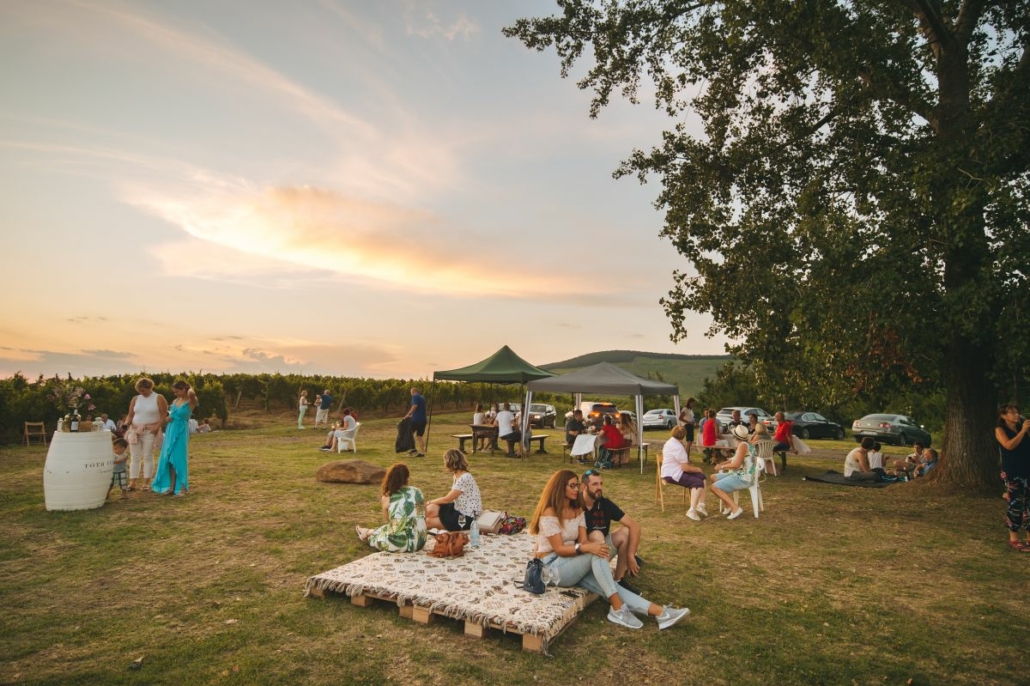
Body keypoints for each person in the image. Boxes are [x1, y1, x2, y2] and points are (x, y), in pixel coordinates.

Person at [530, 469, 690, 630]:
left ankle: (661, 613)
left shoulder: (578, 510)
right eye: (572, 486)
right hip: (551, 568)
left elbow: (584, 541)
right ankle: (618, 610)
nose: (576, 489)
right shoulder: (549, 512)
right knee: (596, 551)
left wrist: (589, 548)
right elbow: (559, 549)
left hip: (569, 564)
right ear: (560, 488)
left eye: (577, 485)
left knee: (610, 585)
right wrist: (589, 548)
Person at [580, 469, 644, 594]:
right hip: (582, 554)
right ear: (583, 487)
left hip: (602, 551)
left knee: (626, 532)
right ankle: (609, 587)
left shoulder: (605, 504)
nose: (599, 487)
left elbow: (634, 526)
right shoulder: (575, 505)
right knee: (596, 535)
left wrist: (631, 554)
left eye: (601, 484)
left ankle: (618, 580)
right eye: (595, 484)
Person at [355, 463, 428, 553]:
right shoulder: (417, 491)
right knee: (391, 527)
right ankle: (368, 531)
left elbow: (388, 520)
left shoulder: (387, 496)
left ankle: (368, 534)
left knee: (378, 537)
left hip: (399, 545)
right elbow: (424, 514)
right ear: (407, 477)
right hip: (420, 541)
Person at [151, 380, 198, 497]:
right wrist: (168, 418)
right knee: (169, 458)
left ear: (184, 389)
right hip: (171, 430)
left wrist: (189, 388)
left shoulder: (191, 401)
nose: (175, 394)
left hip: (181, 431)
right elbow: (172, 414)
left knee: (179, 458)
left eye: (177, 391)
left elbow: (192, 393)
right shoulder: (175, 401)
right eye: (174, 392)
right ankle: (171, 488)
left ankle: (183, 488)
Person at [996, 405, 1030, 552]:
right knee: (1016, 504)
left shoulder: (1025, 429)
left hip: (1027, 470)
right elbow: (1009, 446)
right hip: (1013, 471)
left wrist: (1025, 430)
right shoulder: (1000, 430)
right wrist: (1022, 431)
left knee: (1029, 505)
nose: (1016, 415)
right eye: (1012, 413)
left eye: (1018, 412)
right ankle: (1014, 539)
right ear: (1004, 416)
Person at [125, 377, 168, 492]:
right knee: (134, 456)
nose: (141, 393)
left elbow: (164, 414)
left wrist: (157, 427)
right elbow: (130, 414)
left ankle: (146, 483)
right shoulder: (135, 399)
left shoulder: (158, 397)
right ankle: (132, 482)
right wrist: (126, 423)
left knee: (148, 455)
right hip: (135, 430)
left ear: (150, 388)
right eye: (139, 391)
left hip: (150, 429)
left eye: (143, 390)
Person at [425, 449, 483, 531]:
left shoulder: (465, 478)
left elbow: (447, 499)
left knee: (428, 521)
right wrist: (430, 504)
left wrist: (429, 502)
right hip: (458, 509)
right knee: (430, 509)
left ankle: (413, 531)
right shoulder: (457, 475)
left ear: (450, 463)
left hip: (467, 517)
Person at [709, 424, 759, 518]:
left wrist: (722, 467)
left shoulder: (742, 446)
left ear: (734, 436)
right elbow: (734, 460)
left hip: (744, 478)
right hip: (740, 474)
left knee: (713, 487)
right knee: (714, 477)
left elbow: (736, 464)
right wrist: (722, 464)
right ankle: (727, 506)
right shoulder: (746, 444)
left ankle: (735, 508)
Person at [661, 425, 709, 521]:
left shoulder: (669, 442)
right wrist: (697, 468)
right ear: (684, 436)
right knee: (698, 483)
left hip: (671, 470)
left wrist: (697, 471)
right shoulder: (678, 447)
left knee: (702, 477)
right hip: (672, 474)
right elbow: (686, 468)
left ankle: (701, 505)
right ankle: (692, 510)